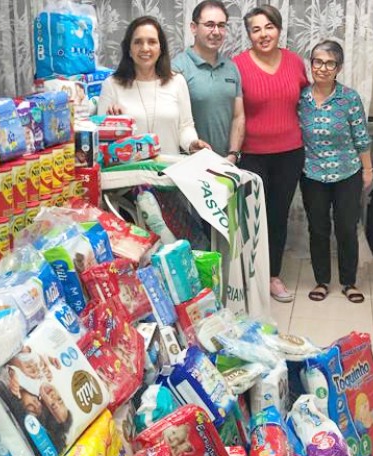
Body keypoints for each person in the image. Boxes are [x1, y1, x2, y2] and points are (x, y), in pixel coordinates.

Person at [233, 5, 309, 302]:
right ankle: (248, 276)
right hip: (252, 154)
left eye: (269, 27)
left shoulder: (294, 62)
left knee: (278, 216)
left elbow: (306, 102)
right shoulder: (237, 65)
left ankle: (272, 276)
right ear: (249, 34)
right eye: (256, 29)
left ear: (278, 29)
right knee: (251, 219)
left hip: (290, 153)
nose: (263, 34)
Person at [298, 40, 372, 303]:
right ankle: (321, 281)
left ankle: (349, 282)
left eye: (330, 63)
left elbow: (361, 137)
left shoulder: (349, 98)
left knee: (346, 227)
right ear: (311, 64)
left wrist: (367, 169)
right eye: (318, 61)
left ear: (338, 68)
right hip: (312, 173)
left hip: (347, 172)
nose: (323, 68)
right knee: (318, 228)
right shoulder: (301, 97)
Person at [97, 16, 210, 156]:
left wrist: (192, 144)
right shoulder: (112, 85)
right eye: (138, 42)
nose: (145, 48)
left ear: (160, 48)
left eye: (152, 42)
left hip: (168, 171)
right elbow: (101, 140)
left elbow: (185, 127)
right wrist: (114, 125)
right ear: (129, 50)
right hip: (128, 173)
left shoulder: (177, 81)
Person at [171, 0, 244, 160]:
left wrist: (233, 154)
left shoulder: (231, 67)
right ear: (194, 28)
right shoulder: (177, 68)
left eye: (221, 25)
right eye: (210, 24)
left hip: (227, 164)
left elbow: (238, 116)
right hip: (189, 163)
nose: (216, 31)